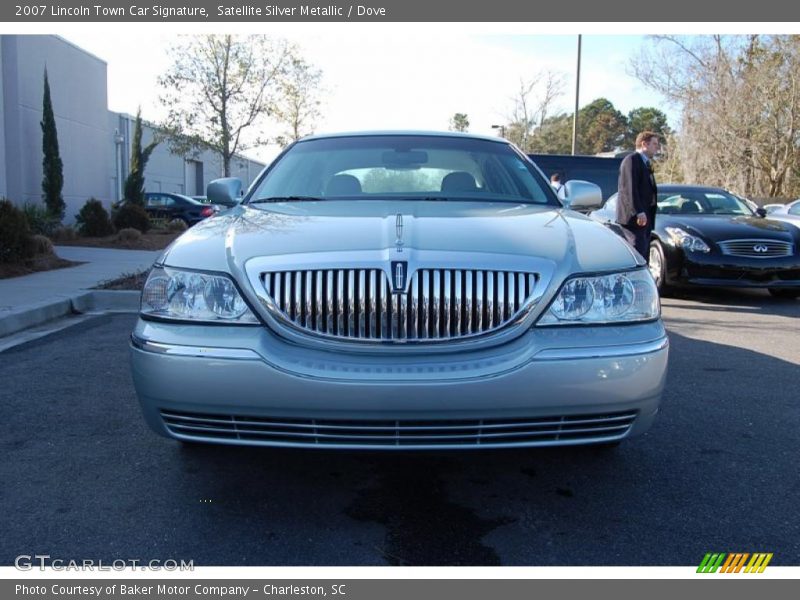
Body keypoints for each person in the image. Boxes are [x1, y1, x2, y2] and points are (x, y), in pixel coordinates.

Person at [616, 131, 660, 262]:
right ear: (644, 144)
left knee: (644, 255)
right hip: (634, 219)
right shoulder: (632, 160)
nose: (657, 148)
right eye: (654, 144)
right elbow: (628, 189)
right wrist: (638, 211)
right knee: (636, 253)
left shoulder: (645, 163)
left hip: (645, 217)